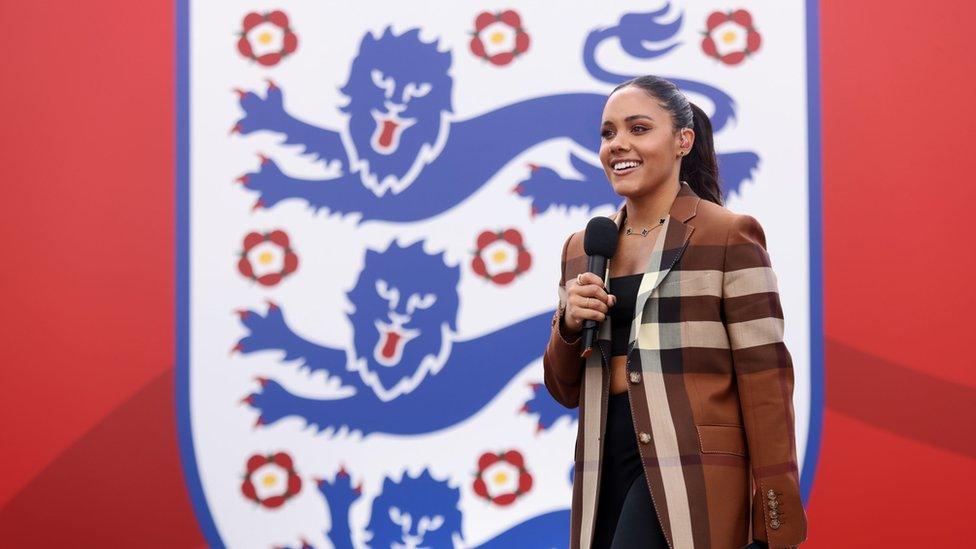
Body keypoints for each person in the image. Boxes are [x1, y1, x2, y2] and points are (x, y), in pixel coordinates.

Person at [543, 75, 808, 549]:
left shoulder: (728, 235)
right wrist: (566, 326)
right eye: (608, 133)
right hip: (602, 465)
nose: (618, 144)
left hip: (691, 466)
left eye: (638, 128)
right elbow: (564, 389)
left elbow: (766, 384)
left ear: (683, 140)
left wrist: (775, 521)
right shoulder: (583, 249)